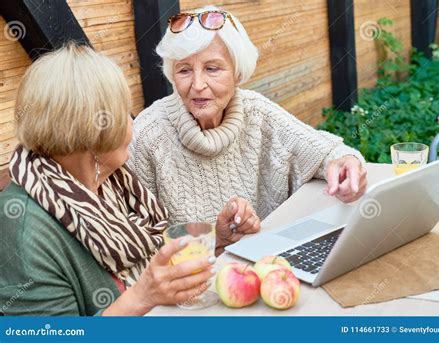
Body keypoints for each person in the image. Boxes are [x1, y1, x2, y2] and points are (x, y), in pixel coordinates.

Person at [0, 43, 258, 316]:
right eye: (124, 112)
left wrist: (215, 240)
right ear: (93, 127)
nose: (132, 123)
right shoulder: (23, 228)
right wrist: (140, 298)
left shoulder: (113, 183)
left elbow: (152, 260)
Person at [129, 6, 368, 227]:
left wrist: (344, 161)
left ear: (237, 72)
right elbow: (138, 236)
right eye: (184, 70)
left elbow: (322, 151)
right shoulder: (148, 134)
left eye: (212, 68)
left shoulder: (256, 110)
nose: (198, 84)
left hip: (265, 260)